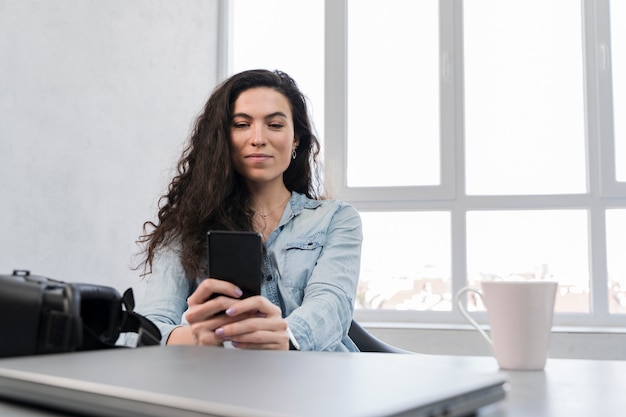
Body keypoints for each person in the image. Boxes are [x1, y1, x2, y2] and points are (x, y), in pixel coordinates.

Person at [131, 69, 363, 352]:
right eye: (241, 124)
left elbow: (332, 305)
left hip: (319, 380)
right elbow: (146, 327)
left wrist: (286, 338)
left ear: (296, 140)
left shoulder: (336, 218)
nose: (258, 138)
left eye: (275, 125)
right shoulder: (186, 225)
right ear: (222, 139)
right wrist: (199, 338)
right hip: (223, 383)